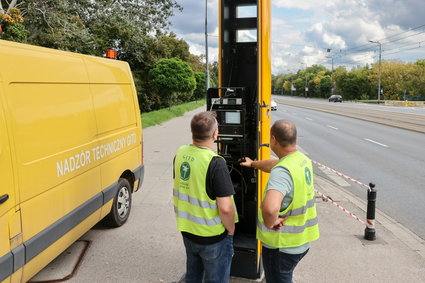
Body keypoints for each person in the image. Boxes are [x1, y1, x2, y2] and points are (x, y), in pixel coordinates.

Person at [240, 120, 319, 283]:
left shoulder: (282, 172)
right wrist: (253, 163)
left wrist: (271, 222)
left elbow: (270, 208)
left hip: (281, 246)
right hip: (302, 241)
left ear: (274, 140)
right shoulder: (301, 160)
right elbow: (275, 164)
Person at [173, 111, 238, 283]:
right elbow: (225, 207)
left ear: (192, 131)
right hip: (212, 237)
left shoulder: (180, 153)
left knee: (193, 276)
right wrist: (230, 230)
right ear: (215, 133)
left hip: (187, 230)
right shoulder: (216, 163)